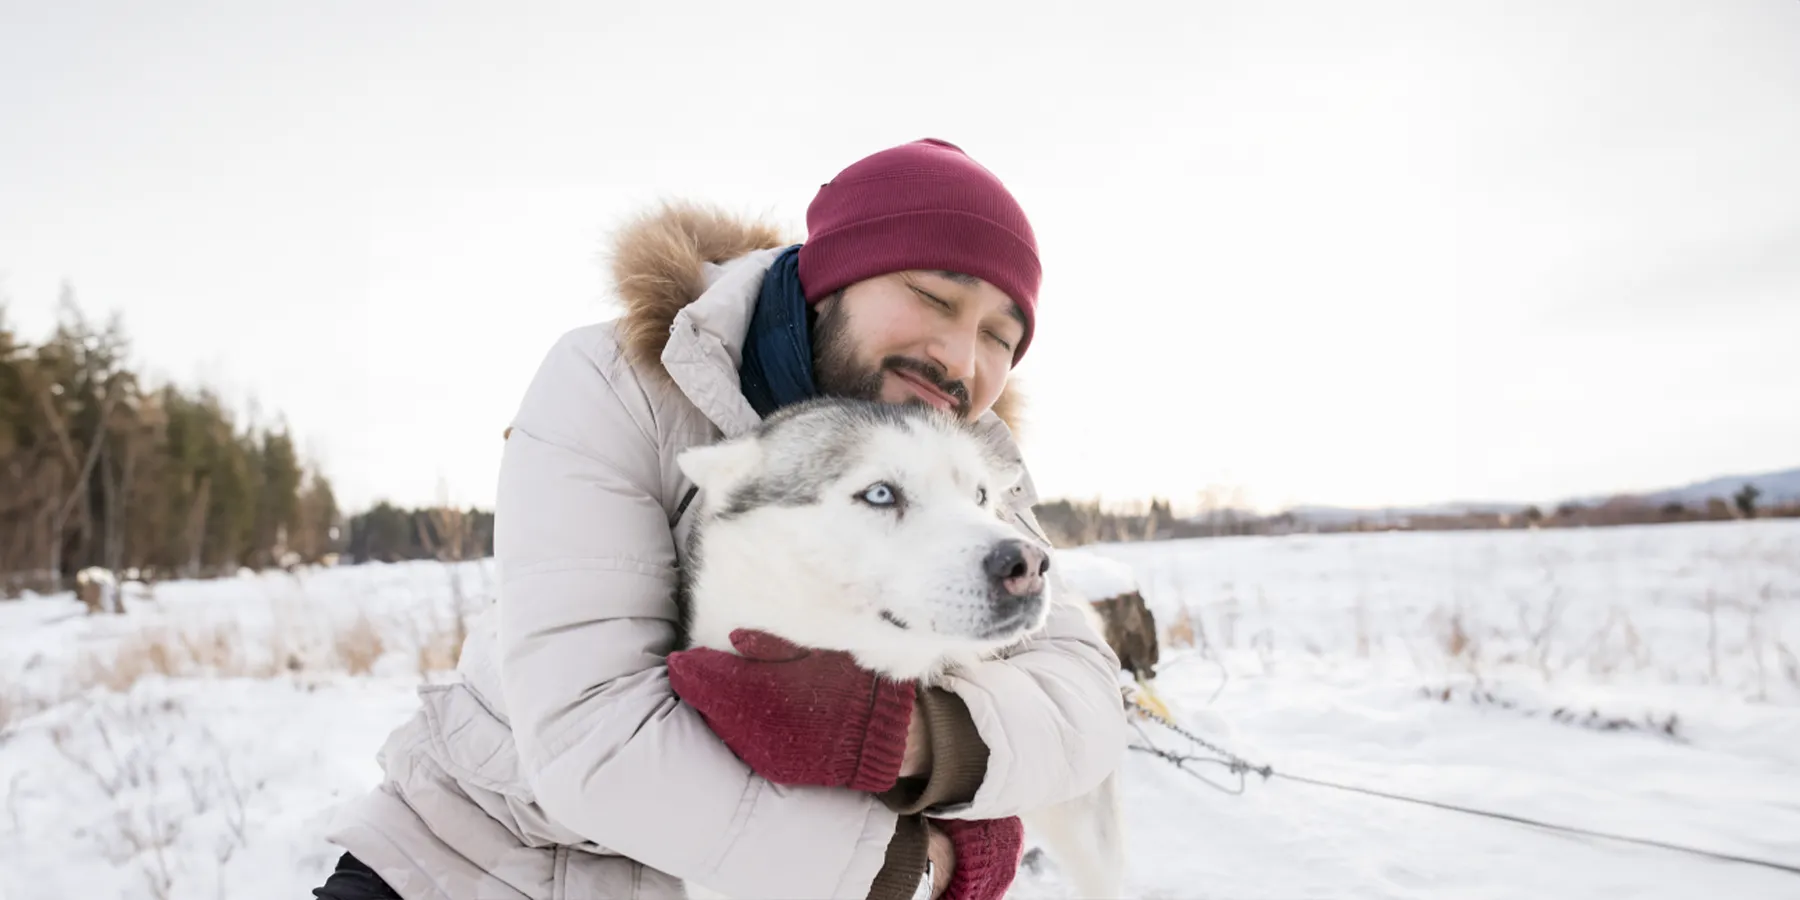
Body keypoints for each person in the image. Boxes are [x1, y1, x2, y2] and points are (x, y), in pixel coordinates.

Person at [312, 138, 1129, 900]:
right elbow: (596, 742)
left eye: (999, 334)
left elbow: (1082, 702)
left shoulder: (966, 451)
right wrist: (912, 866)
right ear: (834, 278)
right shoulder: (618, 380)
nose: (961, 357)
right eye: (932, 297)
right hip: (475, 864)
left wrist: (911, 740)